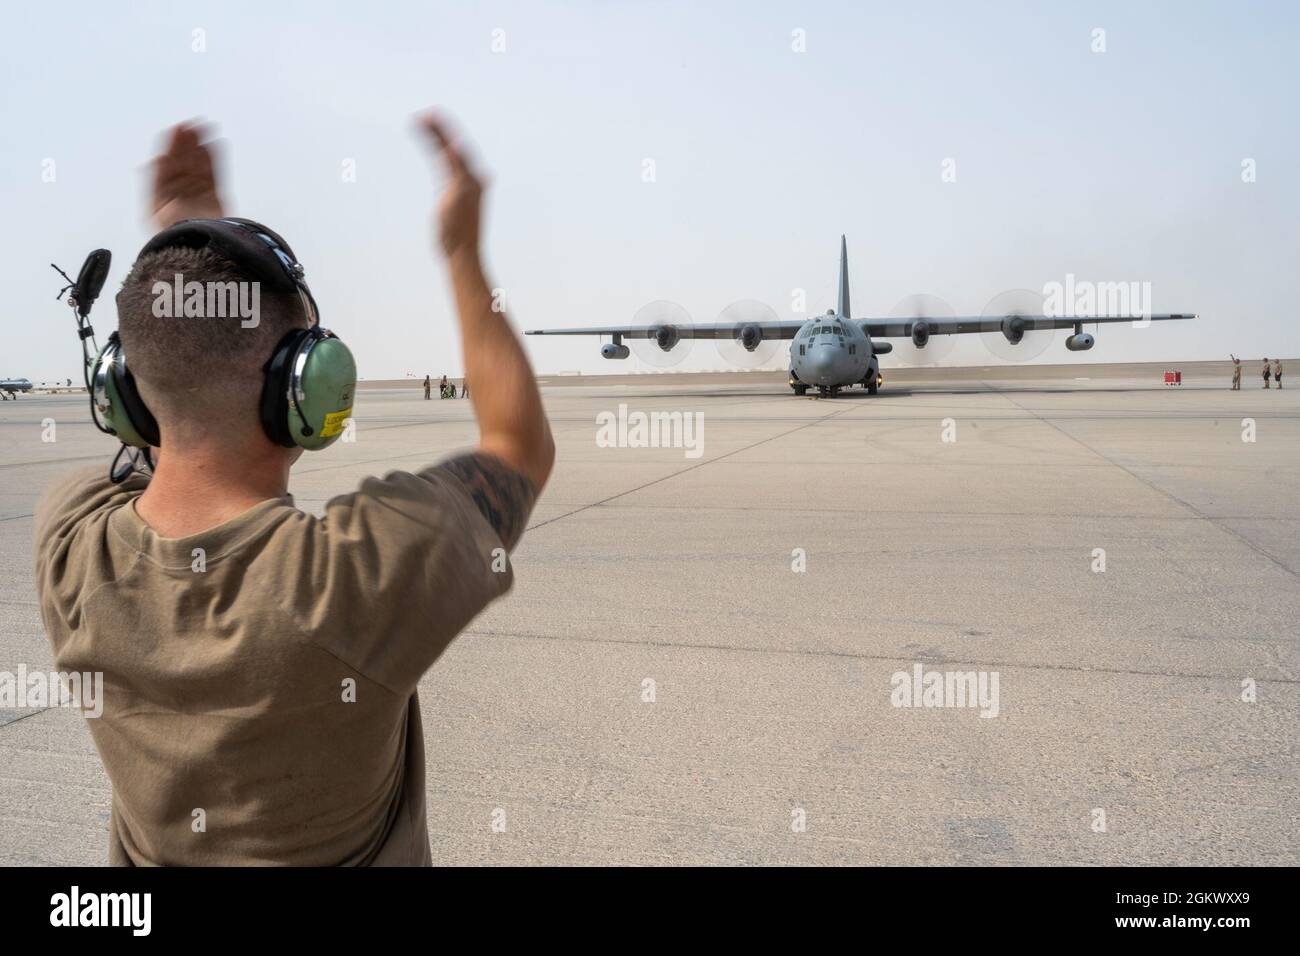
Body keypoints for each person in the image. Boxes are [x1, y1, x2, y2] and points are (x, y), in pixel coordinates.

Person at [33, 114, 554, 866]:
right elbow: (519, 443)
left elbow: (167, 432)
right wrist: (464, 253)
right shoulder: (354, 579)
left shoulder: (69, 544)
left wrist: (187, 242)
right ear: (305, 388)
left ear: (127, 394)